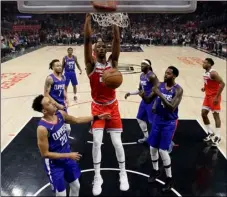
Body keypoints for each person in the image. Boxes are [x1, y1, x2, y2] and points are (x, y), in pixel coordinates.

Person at [84, 13, 129, 196]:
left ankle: (123, 173)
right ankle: (97, 176)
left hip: (112, 106)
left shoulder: (113, 62)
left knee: (118, 144)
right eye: (98, 46)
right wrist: (87, 21)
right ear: (94, 50)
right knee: (96, 142)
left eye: (104, 46)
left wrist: (115, 21)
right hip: (97, 107)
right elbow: (87, 40)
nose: (102, 47)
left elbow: (117, 40)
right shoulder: (90, 64)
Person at [32, 95, 111, 197]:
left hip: (68, 159)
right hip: (54, 165)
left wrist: (96, 117)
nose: (53, 103)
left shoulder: (60, 115)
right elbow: (45, 153)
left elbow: (77, 120)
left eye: (51, 101)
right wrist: (68, 155)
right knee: (61, 194)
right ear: (44, 111)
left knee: (76, 186)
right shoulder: (42, 128)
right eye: (49, 103)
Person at [140, 66, 183, 192]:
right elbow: (148, 100)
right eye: (165, 72)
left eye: (168, 74)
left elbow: (172, 108)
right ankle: (155, 170)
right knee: (152, 148)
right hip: (158, 121)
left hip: (169, 123)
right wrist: (143, 96)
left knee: (163, 151)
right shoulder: (160, 85)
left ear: (174, 76)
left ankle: (169, 179)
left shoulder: (178, 90)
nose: (165, 75)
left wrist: (160, 94)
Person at [125, 59, 158, 143]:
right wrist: (130, 93)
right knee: (139, 118)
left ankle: (160, 140)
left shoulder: (152, 76)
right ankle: (146, 137)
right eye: (141, 64)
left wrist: (155, 103)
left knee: (153, 122)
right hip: (144, 101)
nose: (141, 66)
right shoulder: (142, 75)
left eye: (144, 64)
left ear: (149, 66)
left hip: (152, 101)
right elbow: (140, 89)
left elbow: (157, 89)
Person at [44, 59, 73, 137]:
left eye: (60, 65)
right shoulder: (50, 78)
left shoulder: (63, 77)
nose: (60, 67)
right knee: (53, 129)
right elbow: (46, 94)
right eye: (57, 66)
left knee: (68, 129)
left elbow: (63, 89)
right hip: (53, 107)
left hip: (62, 106)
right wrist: (57, 105)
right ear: (53, 67)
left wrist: (66, 98)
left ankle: (64, 143)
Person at [201, 58, 225, 146]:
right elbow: (208, 82)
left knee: (216, 116)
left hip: (214, 97)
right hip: (207, 96)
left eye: (205, 63)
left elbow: (222, 83)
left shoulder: (213, 73)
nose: (203, 63)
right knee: (203, 114)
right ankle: (210, 132)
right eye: (203, 62)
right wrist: (205, 88)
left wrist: (217, 97)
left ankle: (218, 136)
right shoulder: (205, 72)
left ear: (210, 64)